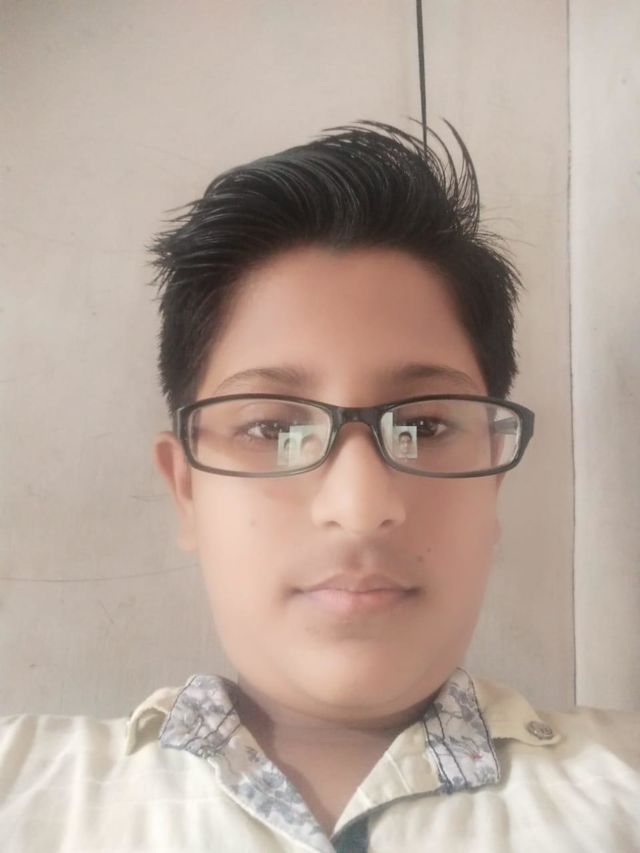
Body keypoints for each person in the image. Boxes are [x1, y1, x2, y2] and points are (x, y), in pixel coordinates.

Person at [1, 121, 639, 852]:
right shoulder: (24, 788)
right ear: (186, 490)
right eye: (272, 428)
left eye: (425, 425)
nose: (360, 508)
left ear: (494, 476)